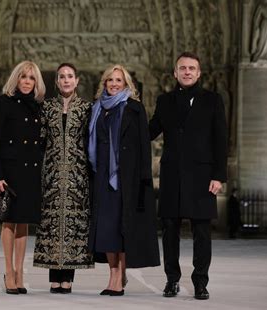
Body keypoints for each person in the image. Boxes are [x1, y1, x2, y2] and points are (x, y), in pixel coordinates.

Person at [149, 52, 227, 300]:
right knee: (170, 230)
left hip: (203, 175)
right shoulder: (164, 101)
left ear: (199, 72)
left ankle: (200, 282)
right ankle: (171, 280)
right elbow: (150, 131)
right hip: (172, 174)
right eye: (182, 68)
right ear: (175, 73)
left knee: (202, 232)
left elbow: (220, 140)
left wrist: (219, 175)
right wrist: (128, 113)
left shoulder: (213, 100)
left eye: (192, 68)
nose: (187, 72)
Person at [88, 64, 160, 296]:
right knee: (107, 230)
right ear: (105, 83)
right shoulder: (97, 108)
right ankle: (112, 275)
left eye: (119, 80)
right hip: (102, 178)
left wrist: (143, 179)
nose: (114, 84)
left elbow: (142, 146)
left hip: (125, 178)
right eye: (110, 80)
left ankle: (120, 276)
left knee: (123, 228)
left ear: (126, 84)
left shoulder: (134, 108)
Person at [0, 60, 45, 295]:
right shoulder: (3, 103)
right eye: (23, 77)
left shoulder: (39, 107)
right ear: (15, 79)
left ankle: (20, 272)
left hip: (30, 172)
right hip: (9, 172)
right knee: (9, 221)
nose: (27, 82)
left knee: (24, 222)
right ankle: (9, 271)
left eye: (31, 78)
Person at [33, 63, 94, 294]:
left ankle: (68, 277)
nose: (66, 80)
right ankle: (54, 276)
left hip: (79, 176)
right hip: (52, 175)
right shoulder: (47, 108)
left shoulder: (87, 109)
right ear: (56, 82)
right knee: (52, 224)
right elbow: (39, 141)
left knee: (73, 225)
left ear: (77, 81)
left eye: (70, 76)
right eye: (62, 77)